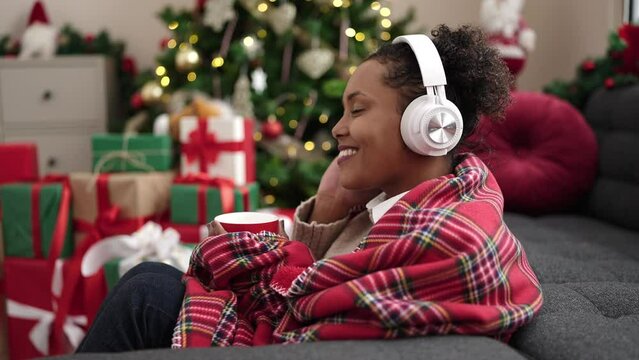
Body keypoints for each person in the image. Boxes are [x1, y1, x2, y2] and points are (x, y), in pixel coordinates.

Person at [77, 24, 541, 352]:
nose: (338, 128)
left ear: (430, 125)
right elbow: (321, 285)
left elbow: (299, 316)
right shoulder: (393, 204)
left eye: (357, 111)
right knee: (150, 281)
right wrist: (328, 209)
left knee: (144, 293)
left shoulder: (448, 233)